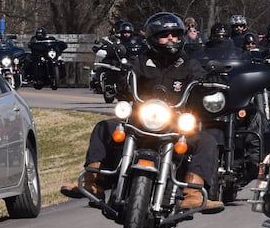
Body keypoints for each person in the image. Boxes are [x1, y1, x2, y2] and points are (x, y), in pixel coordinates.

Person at [60, 12, 224, 213]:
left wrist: (209, 82)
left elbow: (201, 80)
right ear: (153, 38)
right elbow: (126, 79)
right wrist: (117, 75)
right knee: (105, 127)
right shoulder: (141, 61)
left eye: (175, 34)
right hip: (141, 120)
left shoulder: (189, 64)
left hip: (175, 123)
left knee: (206, 140)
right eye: (165, 34)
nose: (171, 38)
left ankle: (194, 193)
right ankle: (93, 181)